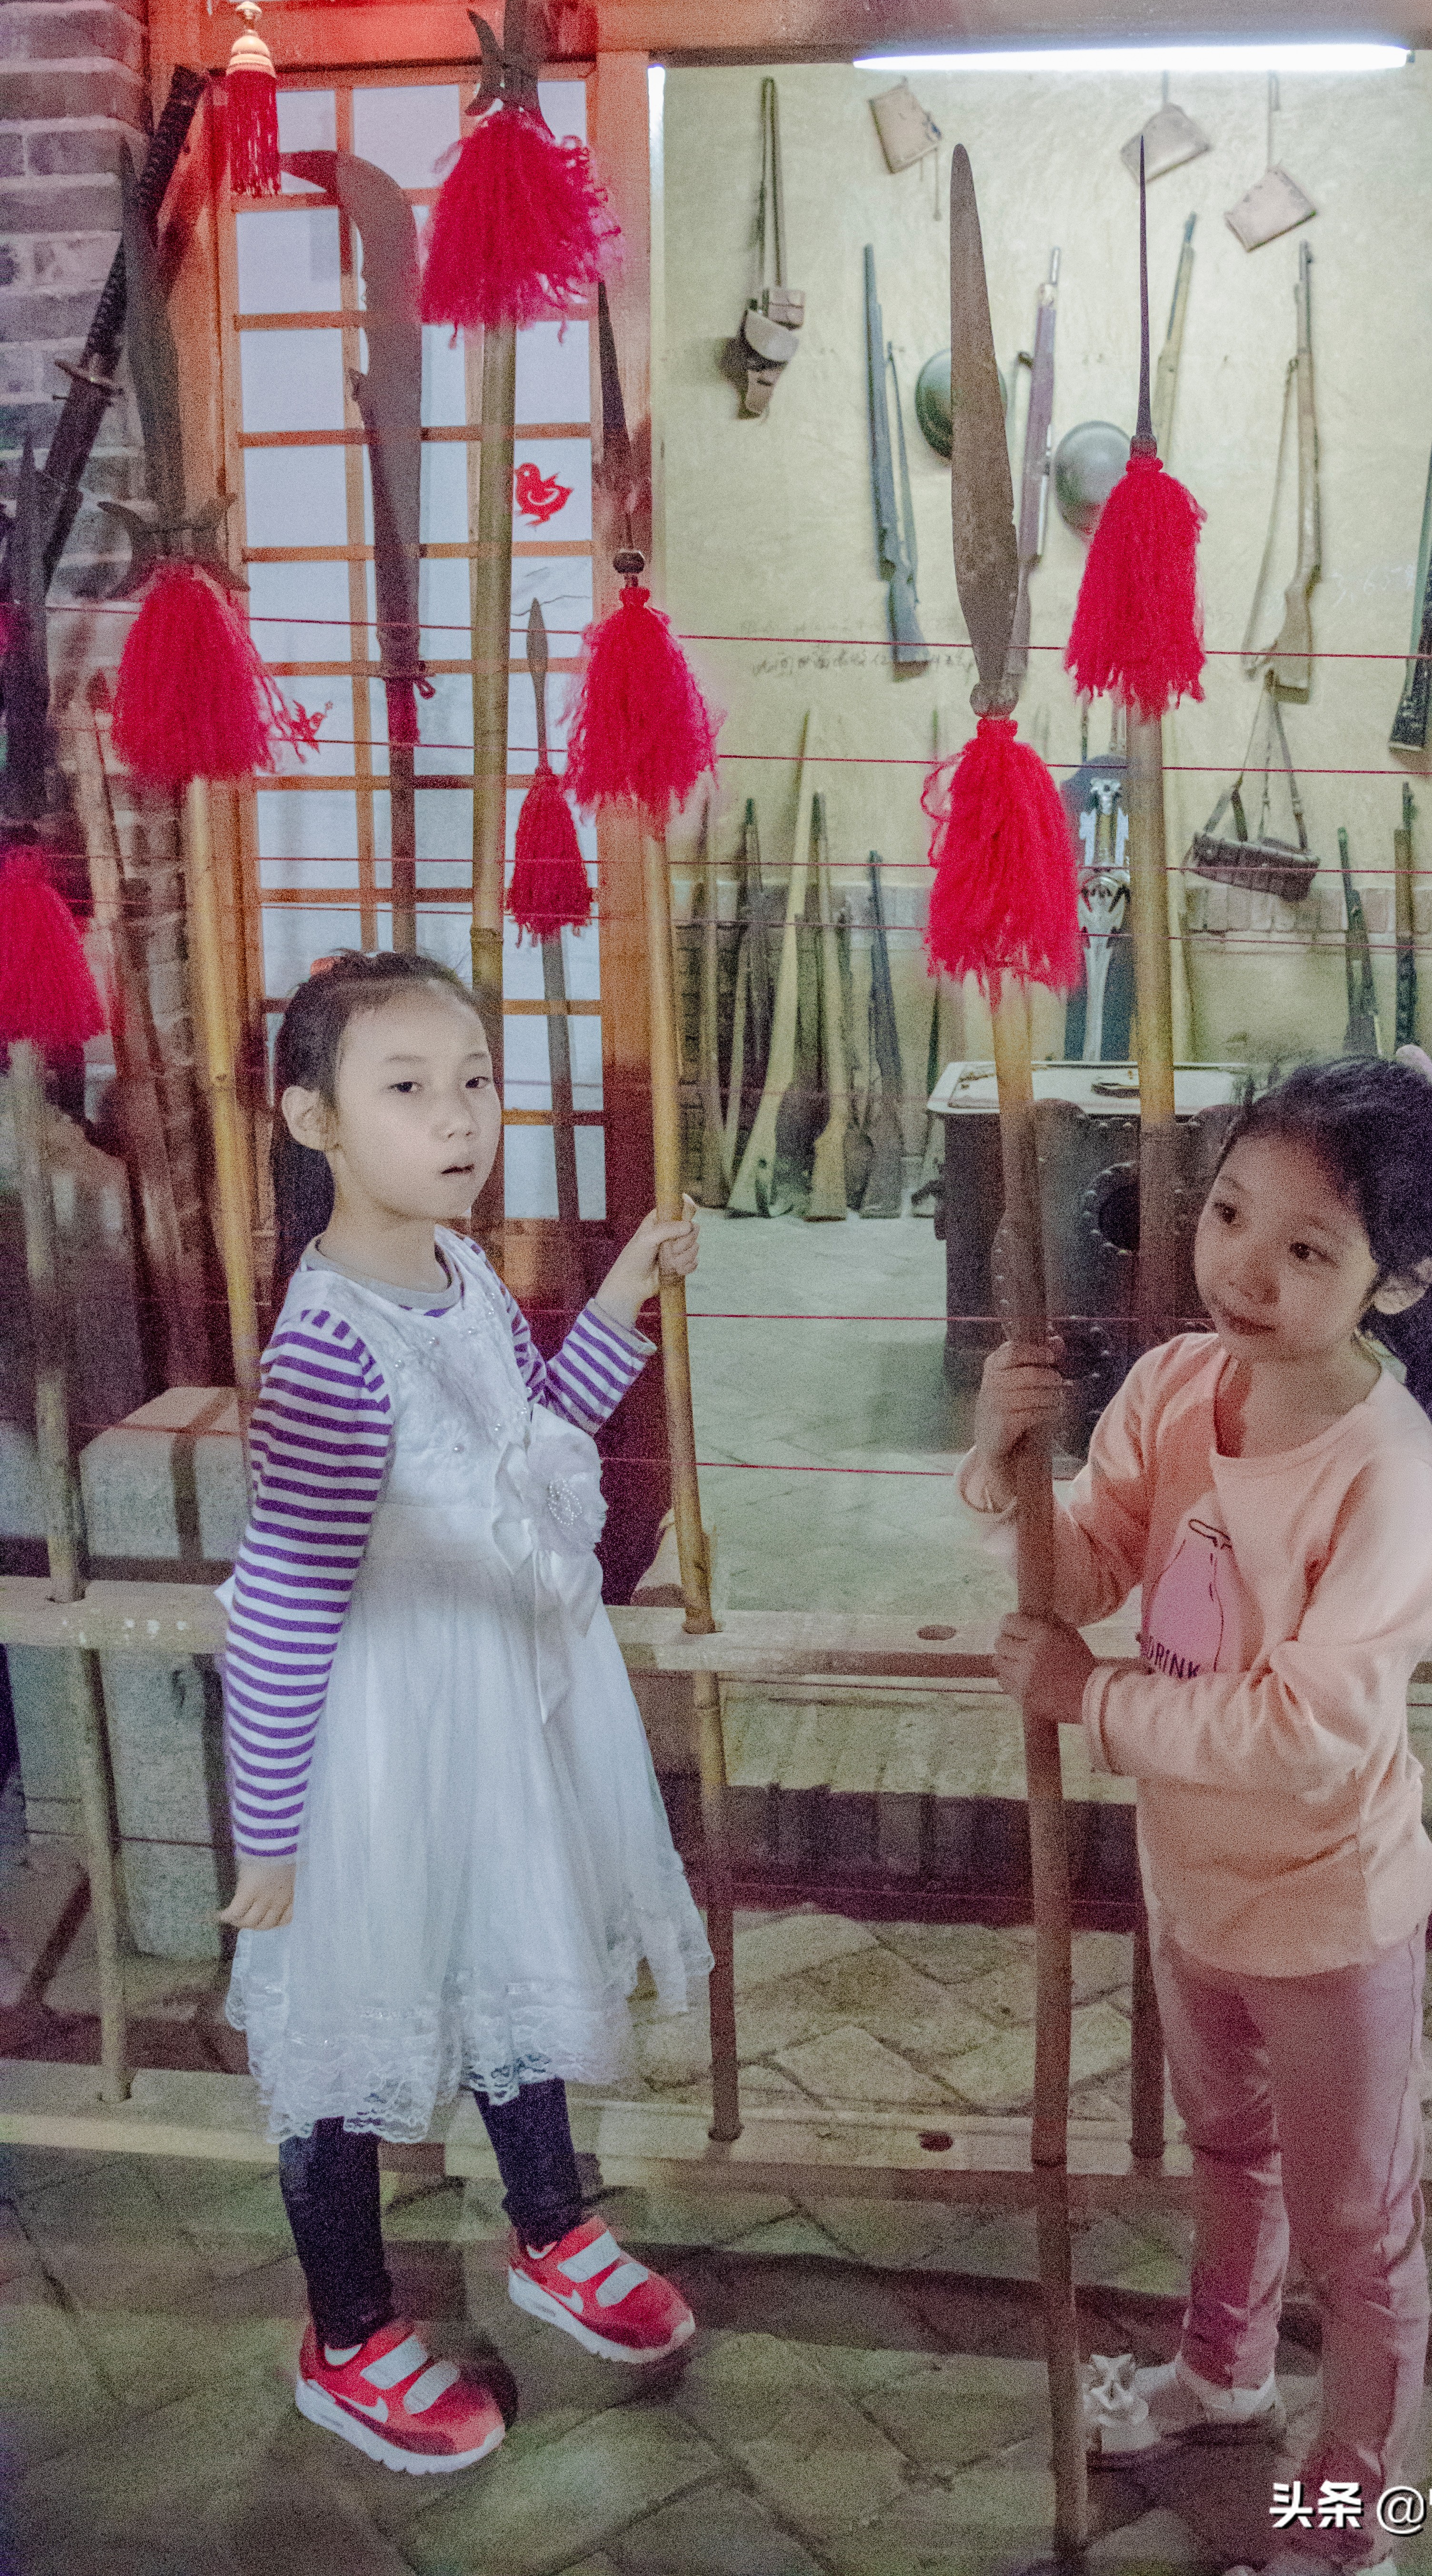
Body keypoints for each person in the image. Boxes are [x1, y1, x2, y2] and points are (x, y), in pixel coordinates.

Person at [962, 1020, 1432, 2576]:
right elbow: (1085, 1562)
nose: (1245, 1268)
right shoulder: (1173, 1387)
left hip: (1328, 1908)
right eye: (1232, 1215)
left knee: (1363, 2233)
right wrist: (1002, 1463)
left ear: (1403, 1281)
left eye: (1307, 1248)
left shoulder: (1392, 1479)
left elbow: (1303, 1728)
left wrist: (1088, 1696)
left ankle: (1353, 2502)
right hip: (1193, 1880)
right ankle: (1222, 2374)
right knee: (1229, 2156)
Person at [218, 949, 713, 2476]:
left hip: (509, 1714)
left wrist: (621, 1304)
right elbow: (284, 1609)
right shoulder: (323, 1352)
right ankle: (349, 2334)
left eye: (476, 1083)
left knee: (517, 1952)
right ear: (313, 1120)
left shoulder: (460, 1273)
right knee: (342, 2033)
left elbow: (530, 1437)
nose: (459, 1120)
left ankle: (550, 2230)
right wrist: (275, 1835)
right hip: (378, 1750)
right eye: (409, 1089)